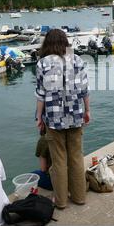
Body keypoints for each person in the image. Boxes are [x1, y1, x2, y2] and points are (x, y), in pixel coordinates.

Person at [35, 29, 90, 210]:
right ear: (65, 42)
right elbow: (84, 91)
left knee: (58, 160)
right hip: (76, 115)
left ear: (47, 43)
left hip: (53, 117)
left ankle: (60, 202)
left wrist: (38, 117)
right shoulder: (77, 60)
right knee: (76, 156)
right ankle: (79, 197)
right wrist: (87, 111)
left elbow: (41, 95)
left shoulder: (42, 63)